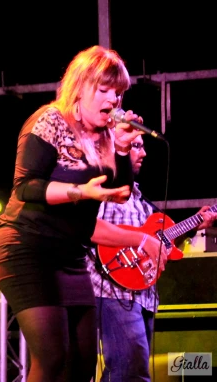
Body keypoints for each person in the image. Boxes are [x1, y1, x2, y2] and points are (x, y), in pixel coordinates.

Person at [0, 45, 172, 382]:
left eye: (117, 93)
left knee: (83, 363)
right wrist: (80, 191)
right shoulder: (50, 121)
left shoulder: (105, 136)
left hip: (70, 257)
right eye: (103, 90)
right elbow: (25, 187)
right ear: (79, 86)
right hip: (26, 250)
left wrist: (120, 148)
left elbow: (120, 191)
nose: (112, 100)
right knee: (53, 357)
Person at [89, 134, 216, 381]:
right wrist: (136, 243)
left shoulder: (143, 203)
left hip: (145, 294)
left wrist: (195, 224)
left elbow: (164, 245)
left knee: (127, 370)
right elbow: (87, 227)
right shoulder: (105, 188)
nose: (144, 153)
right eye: (136, 146)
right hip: (114, 290)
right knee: (132, 369)